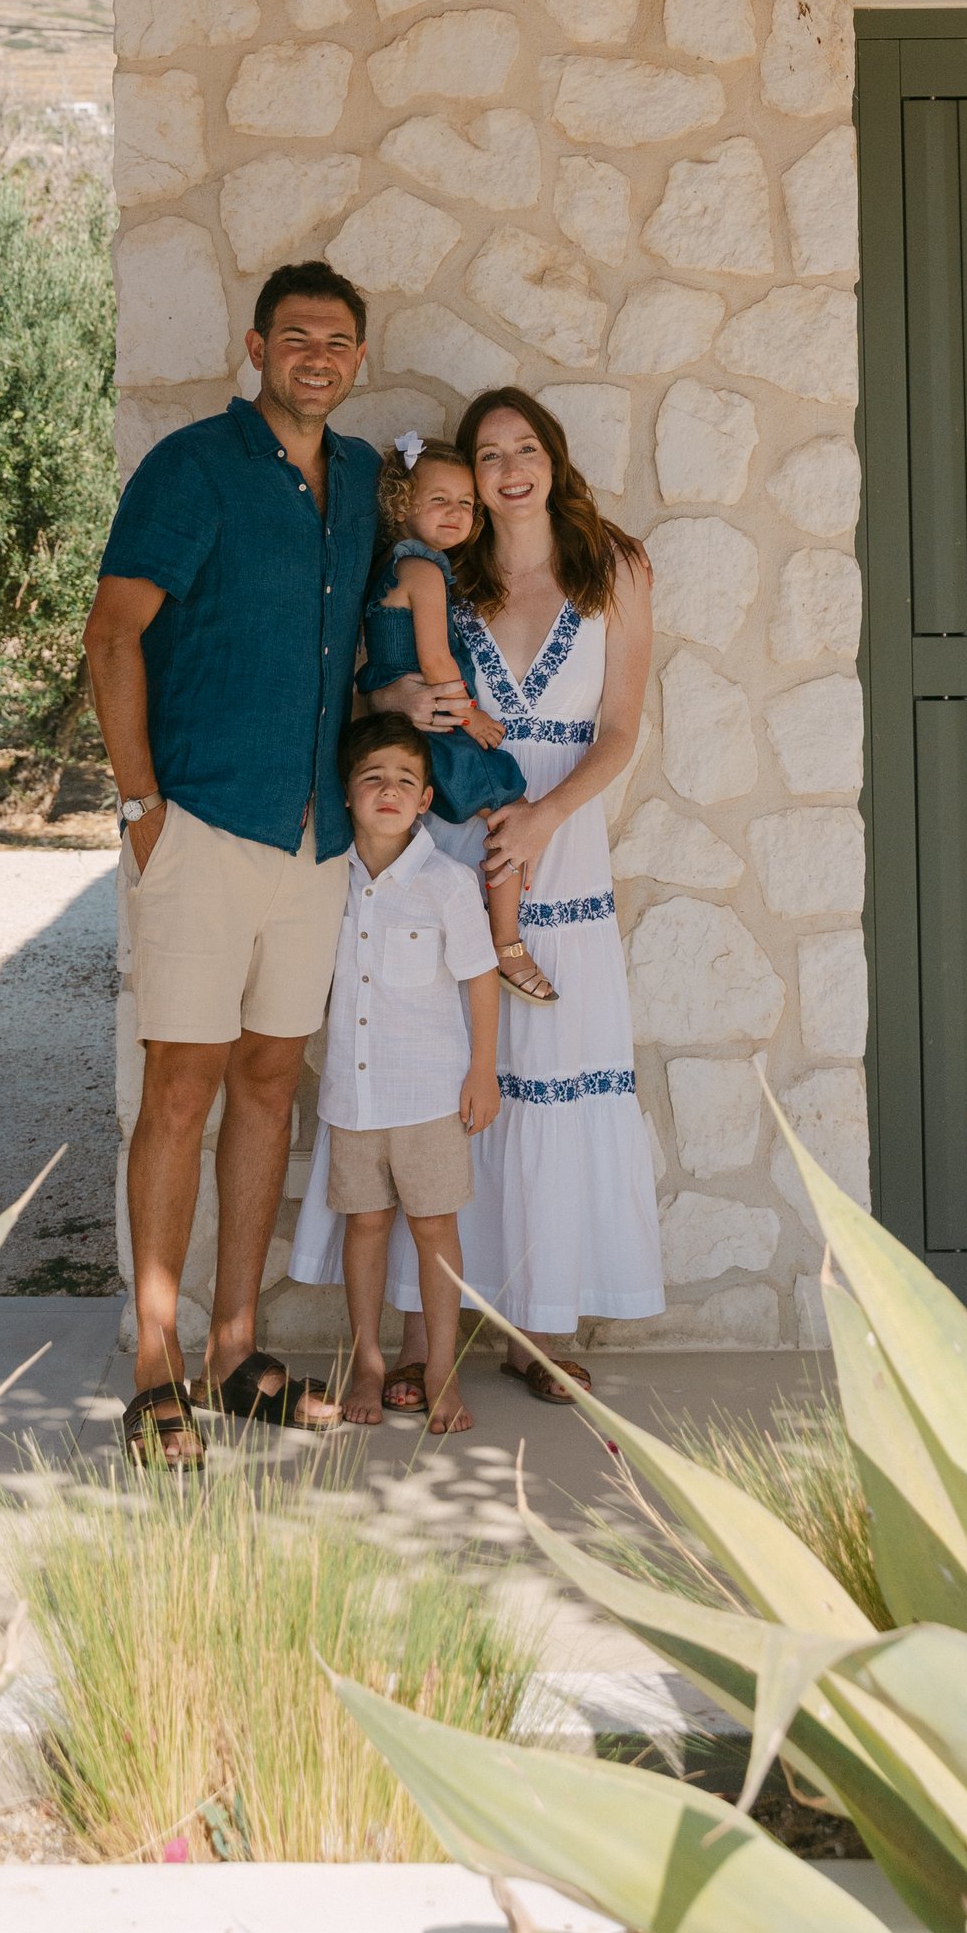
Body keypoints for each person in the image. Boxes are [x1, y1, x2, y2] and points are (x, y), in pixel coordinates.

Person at [83, 258, 382, 1464]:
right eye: (296, 335)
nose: (318, 355)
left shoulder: (362, 479)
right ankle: (156, 1361)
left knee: (269, 1082)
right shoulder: (192, 468)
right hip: (201, 822)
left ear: (358, 358)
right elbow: (112, 631)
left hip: (314, 835)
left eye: (340, 339)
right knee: (182, 1087)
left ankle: (233, 1350)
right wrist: (142, 801)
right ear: (254, 347)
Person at [441, 385, 663, 1393]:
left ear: (554, 457)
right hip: (460, 843)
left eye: (524, 447)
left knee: (554, 1073)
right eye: (488, 455)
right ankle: (435, 1326)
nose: (509, 467)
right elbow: (397, 688)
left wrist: (546, 814)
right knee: (458, 1076)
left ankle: (537, 1324)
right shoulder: (446, 576)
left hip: (561, 846)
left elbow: (619, 728)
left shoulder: (612, 566)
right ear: (472, 476)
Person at [310, 711, 501, 1435]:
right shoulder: (330, 879)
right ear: (349, 794)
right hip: (353, 1097)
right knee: (364, 1225)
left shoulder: (447, 883)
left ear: (426, 800)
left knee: (434, 1226)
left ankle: (442, 1371)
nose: (388, 790)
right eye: (372, 779)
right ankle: (368, 1361)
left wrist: (482, 1072)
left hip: (428, 1094)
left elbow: (480, 978)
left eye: (405, 781)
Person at [363, 439, 556, 1006]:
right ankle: (505, 941)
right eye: (438, 500)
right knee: (510, 811)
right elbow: (435, 659)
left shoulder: (395, 565)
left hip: (414, 722)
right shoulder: (422, 570)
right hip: (437, 723)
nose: (456, 513)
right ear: (403, 506)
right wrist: (471, 717)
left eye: (467, 503)